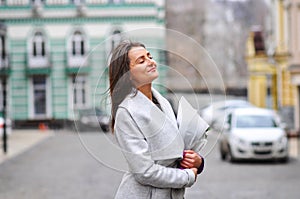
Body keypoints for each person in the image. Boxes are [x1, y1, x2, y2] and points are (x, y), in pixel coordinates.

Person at [109, 40, 204, 199]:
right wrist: (187, 177)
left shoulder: (163, 101)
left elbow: (174, 149)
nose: (151, 62)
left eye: (149, 56)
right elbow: (145, 172)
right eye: (141, 60)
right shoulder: (126, 112)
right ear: (127, 74)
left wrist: (198, 162)